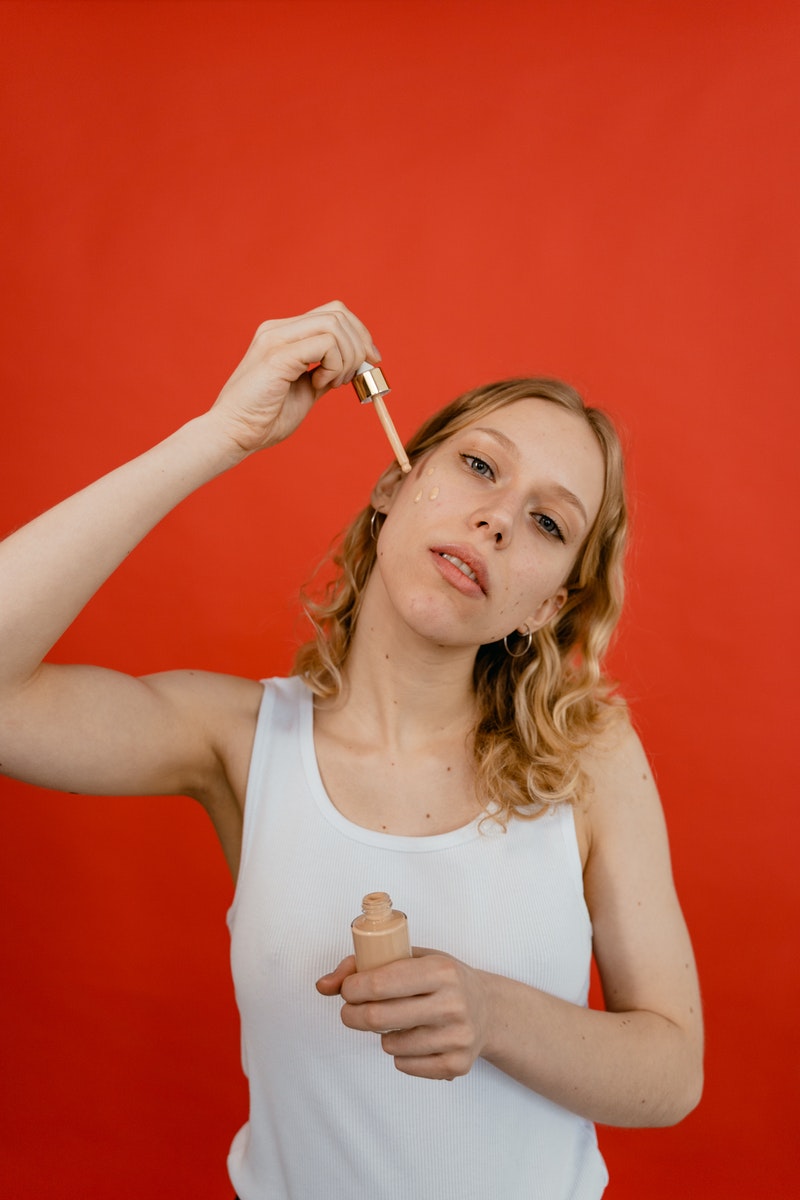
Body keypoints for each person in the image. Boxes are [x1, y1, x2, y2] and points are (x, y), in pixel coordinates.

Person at [0, 301, 703, 1199]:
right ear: (394, 488)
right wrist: (220, 436)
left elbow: (674, 1073)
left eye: (548, 524)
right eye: (480, 466)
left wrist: (493, 1015)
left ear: (545, 609)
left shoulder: (592, 757)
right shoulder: (241, 741)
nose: (496, 519)